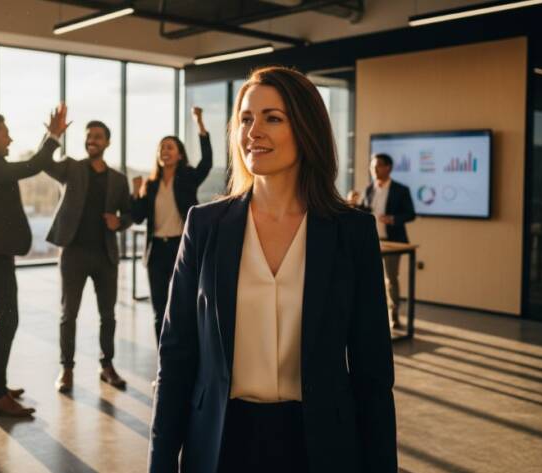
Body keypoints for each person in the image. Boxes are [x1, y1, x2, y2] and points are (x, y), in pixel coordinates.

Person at [149, 66, 397, 472]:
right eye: (246, 118)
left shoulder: (351, 233)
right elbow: (176, 358)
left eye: (272, 118)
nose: (253, 131)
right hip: (221, 442)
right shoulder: (205, 225)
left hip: (318, 444)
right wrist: (160, 465)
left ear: (306, 129)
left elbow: (373, 375)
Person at [0, 112, 63, 417]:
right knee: (5, 322)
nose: (10, 138)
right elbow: (33, 166)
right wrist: (54, 137)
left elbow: (28, 165)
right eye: (5, 133)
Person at [39, 106, 133, 393]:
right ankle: (66, 369)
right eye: (89, 135)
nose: (92, 139)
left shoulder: (118, 179)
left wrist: (119, 221)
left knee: (108, 316)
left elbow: (129, 214)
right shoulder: (71, 167)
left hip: (105, 255)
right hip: (74, 254)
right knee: (69, 314)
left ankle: (107, 366)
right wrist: (52, 135)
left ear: (107, 142)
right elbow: (43, 162)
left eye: (98, 136)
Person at [131, 106, 213, 345]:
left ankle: (187, 363)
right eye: (161, 148)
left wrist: (199, 123)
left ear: (179, 154)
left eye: (169, 147)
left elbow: (206, 162)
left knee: (185, 308)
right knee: (160, 312)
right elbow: (137, 217)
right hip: (156, 252)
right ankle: (163, 366)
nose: (163, 151)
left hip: (181, 248)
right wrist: (136, 192)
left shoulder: (187, 177)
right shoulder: (151, 184)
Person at [360, 153, 416, 329]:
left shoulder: (401, 190)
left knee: (390, 279)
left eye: (377, 166)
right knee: (367, 279)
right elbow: (362, 211)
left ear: (388, 168)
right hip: (370, 241)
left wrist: (392, 219)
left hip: (392, 242)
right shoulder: (368, 189)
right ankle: (371, 315)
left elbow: (410, 214)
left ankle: (394, 315)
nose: (373, 170)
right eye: (371, 166)